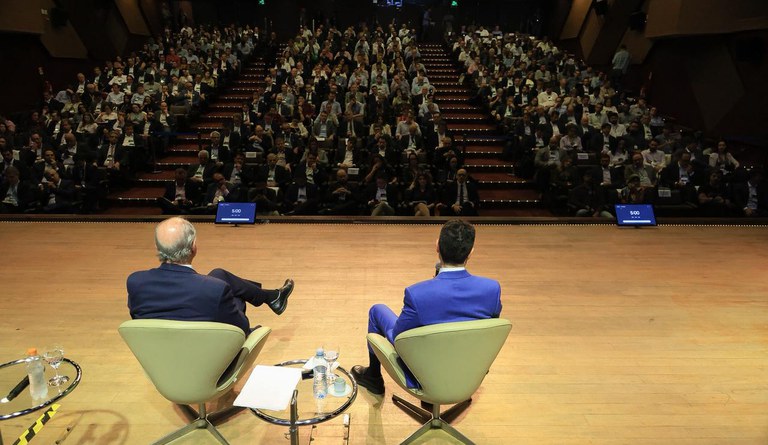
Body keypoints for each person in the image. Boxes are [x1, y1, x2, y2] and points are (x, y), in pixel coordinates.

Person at [351, 220, 502, 395]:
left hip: (424, 373)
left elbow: (398, 337)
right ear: (471, 252)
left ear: (437, 246)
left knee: (377, 310)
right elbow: (490, 328)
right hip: (468, 370)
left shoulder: (417, 294)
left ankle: (373, 377)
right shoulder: (492, 289)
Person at [127, 217, 295, 334]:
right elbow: (241, 329)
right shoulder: (215, 289)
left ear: (157, 248)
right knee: (233, 291)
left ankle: (271, 297)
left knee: (219, 274)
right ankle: (271, 297)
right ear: (194, 247)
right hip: (209, 357)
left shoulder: (135, 282)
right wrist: (233, 300)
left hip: (159, 357)